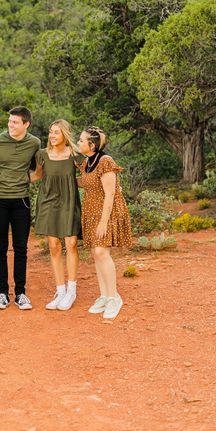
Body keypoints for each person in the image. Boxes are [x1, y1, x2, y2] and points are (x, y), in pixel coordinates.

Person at [0, 106, 41, 310]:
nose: (11, 125)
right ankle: (2, 293)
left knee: (21, 248)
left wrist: (24, 180)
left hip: (21, 200)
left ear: (26, 124)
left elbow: (37, 170)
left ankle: (20, 293)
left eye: (15, 122)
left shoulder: (34, 143)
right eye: (9, 121)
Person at [76, 126, 132, 320]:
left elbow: (110, 193)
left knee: (101, 252)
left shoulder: (105, 161)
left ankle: (114, 297)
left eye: (81, 140)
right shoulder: (86, 162)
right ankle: (104, 295)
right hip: (91, 211)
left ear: (92, 145)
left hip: (106, 212)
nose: (78, 143)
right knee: (95, 253)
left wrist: (103, 222)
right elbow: (85, 182)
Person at [31, 120, 81, 311]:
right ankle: (60, 291)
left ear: (65, 135)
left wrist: (107, 178)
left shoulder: (75, 155)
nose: (52, 136)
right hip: (48, 202)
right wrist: (9, 179)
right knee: (53, 246)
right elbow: (37, 175)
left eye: (56, 133)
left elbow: (88, 174)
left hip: (69, 202)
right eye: (50, 132)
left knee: (71, 243)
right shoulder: (42, 154)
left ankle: (72, 290)